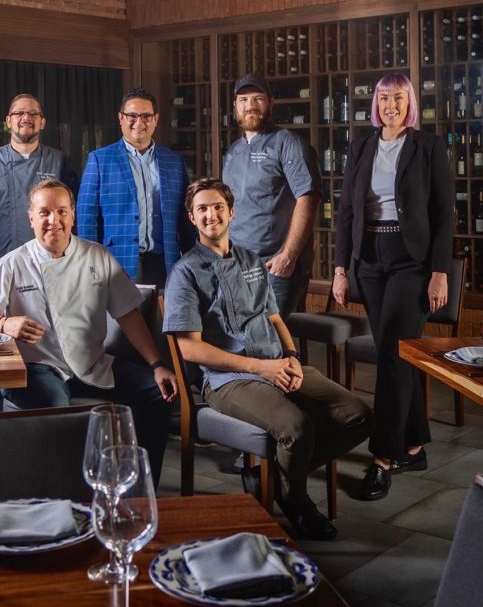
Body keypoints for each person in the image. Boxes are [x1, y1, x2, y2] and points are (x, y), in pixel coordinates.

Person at [164, 178, 373, 540]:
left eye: (217, 207)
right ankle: (296, 500)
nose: (211, 214)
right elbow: (190, 349)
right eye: (202, 209)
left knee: (359, 415)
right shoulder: (185, 272)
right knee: (296, 426)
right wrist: (263, 368)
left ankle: (275, 475)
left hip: (277, 363)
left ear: (231, 212)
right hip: (228, 380)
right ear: (192, 218)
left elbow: (275, 318)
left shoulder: (250, 260)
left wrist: (290, 357)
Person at [0, 179, 178, 484]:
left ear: (73, 216)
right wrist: (4, 323)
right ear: (31, 218)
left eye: (62, 211)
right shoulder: (14, 263)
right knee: (56, 412)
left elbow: (128, 314)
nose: (54, 221)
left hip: (92, 363)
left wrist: (157, 365)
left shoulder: (97, 256)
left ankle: (141, 487)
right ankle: (64, 495)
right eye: (45, 212)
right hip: (40, 366)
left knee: (157, 393)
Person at [333, 72, 452, 502]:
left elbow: (444, 213)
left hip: (411, 262)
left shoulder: (429, 147)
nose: (390, 106)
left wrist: (440, 271)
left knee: (392, 356)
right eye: (384, 98)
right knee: (394, 354)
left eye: (399, 98)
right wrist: (341, 268)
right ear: (375, 104)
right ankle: (415, 446)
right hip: (370, 260)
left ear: (410, 103)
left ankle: (382, 458)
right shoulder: (361, 146)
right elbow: (347, 210)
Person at [222, 73, 322, 318]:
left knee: (271, 344)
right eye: (243, 100)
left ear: (271, 103)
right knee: (242, 344)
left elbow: (308, 199)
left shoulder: (288, 144)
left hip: (274, 267)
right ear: (235, 106)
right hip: (238, 265)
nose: (250, 106)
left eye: (258, 99)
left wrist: (288, 257)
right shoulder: (233, 152)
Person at [76, 87, 195, 287]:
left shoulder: (174, 162)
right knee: (125, 318)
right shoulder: (100, 159)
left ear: (155, 119)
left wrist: (193, 260)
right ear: (121, 118)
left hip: (165, 260)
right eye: (132, 116)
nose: (139, 122)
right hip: (117, 261)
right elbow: (87, 219)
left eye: (146, 116)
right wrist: (91, 267)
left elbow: (185, 219)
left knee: (164, 318)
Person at [0, 92, 78, 288]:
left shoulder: (59, 162)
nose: (26, 118)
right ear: (8, 120)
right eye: (19, 113)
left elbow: (72, 216)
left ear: (43, 122)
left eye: (33, 114)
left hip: (49, 266)